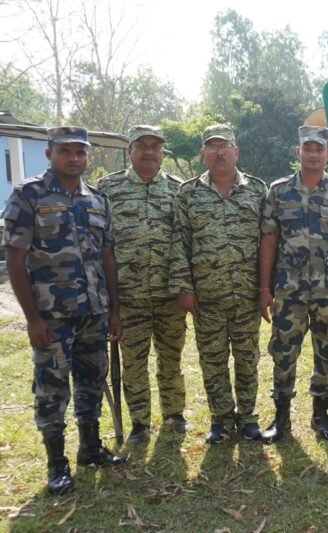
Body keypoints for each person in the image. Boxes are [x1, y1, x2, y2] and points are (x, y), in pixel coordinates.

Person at [2, 126, 127, 495]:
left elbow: (107, 257)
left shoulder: (96, 199)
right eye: (66, 151)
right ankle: (57, 463)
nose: (74, 158)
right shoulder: (28, 195)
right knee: (52, 387)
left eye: (80, 152)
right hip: (52, 314)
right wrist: (32, 318)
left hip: (93, 310)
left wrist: (114, 310)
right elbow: (15, 258)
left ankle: (90, 447)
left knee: (91, 379)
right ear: (50, 153)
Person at [259, 126, 328, 443]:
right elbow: (268, 240)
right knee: (282, 351)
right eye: (308, 148)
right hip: (288, 288)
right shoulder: (278, 192)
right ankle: (281, 418)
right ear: (299, 153)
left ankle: (320, 415)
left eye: (319, 149)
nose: (314, 154)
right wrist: (263, 289)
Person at [169, 124, 267, 444]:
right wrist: (184, 287)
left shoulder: (256, 190)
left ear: (236, 152)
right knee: (212, 359)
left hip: (247, 293)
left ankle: (249, 417)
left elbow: (269, 243)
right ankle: (221, 419)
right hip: (206, 296)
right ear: (203, 155)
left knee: (247, 357)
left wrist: (267, 288)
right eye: (212, 147)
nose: (219, 152)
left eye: (225, 146)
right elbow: (179, 242)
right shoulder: (187, 193)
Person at [97, 125, 188, 446]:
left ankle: (174, 413)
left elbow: (184, 240)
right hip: (128, 296)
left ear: (162, 152)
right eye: (142, 146)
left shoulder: (179, 190)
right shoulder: (108, 188)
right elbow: (100, 243)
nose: (149, 152)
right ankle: (139, 422)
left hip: (169, 295)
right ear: (130, 150)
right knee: (133, 362)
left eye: (155, 146)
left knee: (171, 358)